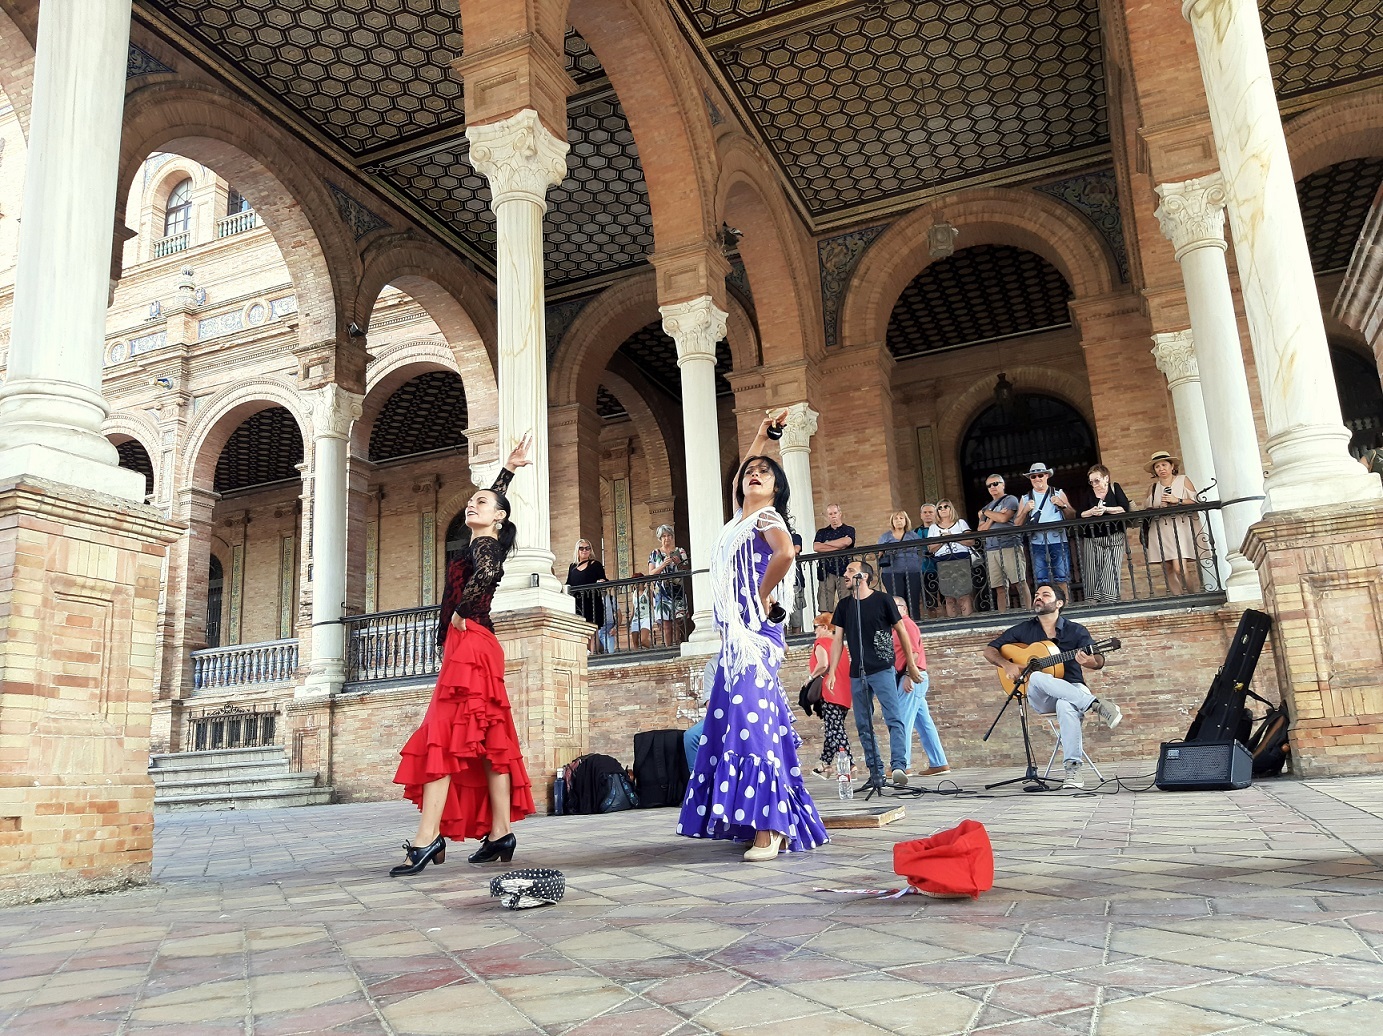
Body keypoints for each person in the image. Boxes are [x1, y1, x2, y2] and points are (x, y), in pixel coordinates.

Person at [678, 412, 828, 861]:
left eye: (764, 474)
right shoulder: (738, 522)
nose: (753, 475)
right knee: (733, 727)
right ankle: (759, 819)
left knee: (749, 726)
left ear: (777, 488)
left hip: (753, 635)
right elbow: (744, 472)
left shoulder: (766, 520)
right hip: (733, 640)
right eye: (749, 474)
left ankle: (770, 827)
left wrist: (763, 593)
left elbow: (785, 553)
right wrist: (762, 436)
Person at [390, 432, 537, 874]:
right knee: (491, 740)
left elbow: (489, 572)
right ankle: (499, 833)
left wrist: (462, 611)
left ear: (499, 518)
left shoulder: (486, 545)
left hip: (471, 641)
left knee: (443, 737)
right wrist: (506, 470)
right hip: (475, 643)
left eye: (482, 504)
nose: (473, 506)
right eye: (471, 501)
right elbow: (494, 504)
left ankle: (426, 839)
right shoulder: (483, 536)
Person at [983, 583, 1124, 789]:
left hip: (1074, 688)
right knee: (1038, 677)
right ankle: (1096, 705)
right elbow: (989, 650)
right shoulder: (1024, 629)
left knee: (1066, 706)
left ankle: (1073, 769)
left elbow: (1099, 661)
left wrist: (1089, 662)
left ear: (1059, 603)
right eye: (1037, 594)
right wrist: (1007, 664)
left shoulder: (1075, 631)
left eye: (1045, 595)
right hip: (1041, 695)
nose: (1038, 597)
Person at [827, 559, 925, 792]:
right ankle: (876, 771)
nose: (845, 574)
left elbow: (901, 630)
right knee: (863, 723)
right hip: (857, 671)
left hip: (882, 668)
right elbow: (837, 640)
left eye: (851, 570)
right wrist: (831, 671)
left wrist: (911, 665)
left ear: (865, 576)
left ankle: (899, 765)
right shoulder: (844, 605)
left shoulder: (883, 600)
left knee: (894, 717)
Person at [891, 596, 948, 777]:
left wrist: (909, 674)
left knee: (902, 721)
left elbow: (913, 652)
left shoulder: (906, 625)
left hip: (912, 676)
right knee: (924, 723)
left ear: (904, 608)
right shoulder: (898, 627)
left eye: (894, 606)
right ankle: (939, 762)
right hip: (914, 676)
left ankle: (902, 764)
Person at [1015, 461, 1076, 600]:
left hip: (1058, 540)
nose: (1037, 479)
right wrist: (1025, 510)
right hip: (1037, 543)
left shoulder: (1058, 493)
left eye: (1040, 475)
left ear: (1047, 475)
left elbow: (1072, 515)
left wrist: (1063, 505)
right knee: (1041, 579)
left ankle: (1064, 606)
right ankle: (1045, 608)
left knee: (1062, 577)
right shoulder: (1025, 498)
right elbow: (1017, 524)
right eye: (1033, 476)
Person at [1143, 450, 1201, 595]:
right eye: (1157, 466)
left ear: (1171, 466)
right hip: (1160, 528)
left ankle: (1193, 596)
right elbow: (1147, 508)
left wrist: (1178, 500)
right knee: (1168, 568)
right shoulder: (1153, 487)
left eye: (1164, 465)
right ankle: (1179, 599)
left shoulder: (1183, 480)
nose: (1161, 469)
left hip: (1180, 528)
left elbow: (1196, 501)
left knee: (1179, 568)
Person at [805, 612, 854, 780]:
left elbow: (823, 664)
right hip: (844, 692)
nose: (814, 632)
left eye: (816, 627)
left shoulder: (821, 643)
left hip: (830, 690)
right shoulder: (840, 645)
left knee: (836, 729)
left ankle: (850, 764)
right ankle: (824, 764)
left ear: (825, 627)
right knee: (833, 728)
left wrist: (810, 677)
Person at [1078, 465, 1132, 604]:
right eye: (1091, 482)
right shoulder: (1088, 493)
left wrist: (1106, 509)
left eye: (1097, 480)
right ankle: (1092, 600)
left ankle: (1108, 601)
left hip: (1114, 535)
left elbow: (1124, 508)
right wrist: (1091, 512)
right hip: (1093, 537)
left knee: (1110, 568)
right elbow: (1079, 514)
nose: (1094, 484)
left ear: (1106, 478)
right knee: (1092, 569)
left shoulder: (1115, 488)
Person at [976, 474, 1029, 612]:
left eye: (996, 484)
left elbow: (1004, 518)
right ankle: (1003, 615)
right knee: (999, 587)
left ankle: (1028, 612)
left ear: (1003, 485)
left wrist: (987, 514)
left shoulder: (1010, 499)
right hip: (991, 548)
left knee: (1019, 582)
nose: (992, 487)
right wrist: (992, 517)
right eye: (989, 485)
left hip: (1009, 545)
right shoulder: (986, 507)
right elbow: (981, 530)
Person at [926, 499, 977, 617]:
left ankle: (968, 620)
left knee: (964, 594)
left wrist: (953, 537)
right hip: (943, 561)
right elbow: (931, 548)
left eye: (946, 506)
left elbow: (971, 541)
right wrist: (943, 540)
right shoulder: (933, 527)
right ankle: (953, 621)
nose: (943, 509)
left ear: (951, 508)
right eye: (940, 507)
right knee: (948, 595)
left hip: (961, 559)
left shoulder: (960, 523)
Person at [877, 510, 924, 620]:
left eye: (901, 518)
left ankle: (915, 623)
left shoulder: (913, 535)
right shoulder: (885, 537)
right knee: (897, 601)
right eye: (896, 519)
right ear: (892, 522)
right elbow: (878, 554)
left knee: (913, 600)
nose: (898, 521)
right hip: (891, 573)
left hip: (912, 572)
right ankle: (899, 625)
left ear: (906, 521)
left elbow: (921, 552)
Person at [649, 525, 690, 647]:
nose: (666, 538)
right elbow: (651, 573)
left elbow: (687, 570)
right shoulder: (655, 553)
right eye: (663, 536)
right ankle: (668, 648)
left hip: (677, 590)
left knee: (677, 621)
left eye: (668, 535)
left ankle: (678, 645)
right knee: (666, 623)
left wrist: (678, 563)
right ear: (660, 538)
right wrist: (662, 565)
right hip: (661, 592)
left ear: (672, 537)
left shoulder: (680, 551)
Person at [566, 538, 607, 653]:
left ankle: (594, 654)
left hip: (592, 601)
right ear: (577, 551)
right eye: (582, 548)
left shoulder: (595, 564)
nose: (585, 550)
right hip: (578, 603)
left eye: (587, 548)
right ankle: (592, 651)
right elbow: (569, 583)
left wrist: (601, 582)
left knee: (593, 629)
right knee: (581, 630)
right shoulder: (572, 567)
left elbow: (604, 579)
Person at [813, 504, 855, 613]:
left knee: (846, 604)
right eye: (830, 514)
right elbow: (816, 547)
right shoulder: (822, 532)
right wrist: (839, 545)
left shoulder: (849, 529)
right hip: (826, 571)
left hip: (844, 570)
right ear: (827, 516)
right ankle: (827, 629)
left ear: (840, 513)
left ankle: (846, 630)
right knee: (825, 607)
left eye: (835, 513)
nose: (833, 516)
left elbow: (846, 542)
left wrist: (826, 544)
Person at [914, 503, 941, 618]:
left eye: (930, 512)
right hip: (924, 569)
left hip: (942, 566)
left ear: (936, 514)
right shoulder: (915, 532)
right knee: (929, 602)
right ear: (921, 515)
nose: (928, 515)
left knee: (947, 599)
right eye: (925, 512)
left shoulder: (941, 528)